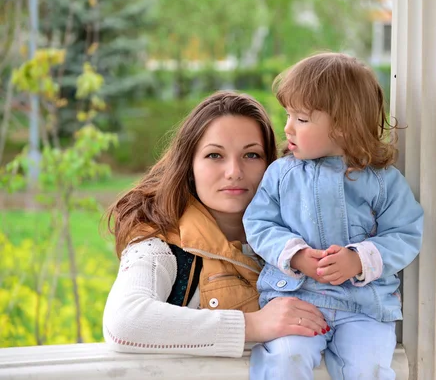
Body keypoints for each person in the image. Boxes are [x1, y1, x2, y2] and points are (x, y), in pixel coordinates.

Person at [102, 91, 329, 359]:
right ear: (189, 166)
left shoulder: (301, 243)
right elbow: (125, 322)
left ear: (273, 166)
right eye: (214, 156)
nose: (234, 171)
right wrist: (254, 325)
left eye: (252, 155)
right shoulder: (161, 246)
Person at [243, 53, 424, 379]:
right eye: (287, 115)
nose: (287, 127)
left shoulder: (382, 181)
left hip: (364, 309)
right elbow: (259, 223)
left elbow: (405, 233)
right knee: (285, 361)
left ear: (342, 126)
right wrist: (295, 255)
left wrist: (359, 260)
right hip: (296, 300)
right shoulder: (281, 174)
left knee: (369, 369)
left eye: (301, 119)